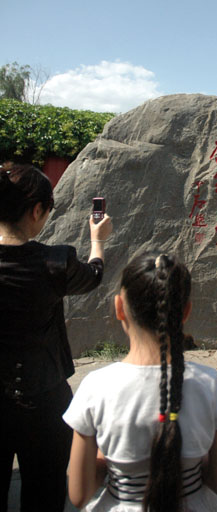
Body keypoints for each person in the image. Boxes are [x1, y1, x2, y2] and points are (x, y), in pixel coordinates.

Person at [63, 252, 217, 512]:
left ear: (119, 308)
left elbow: (79, 494)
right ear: (186, 312)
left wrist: (106, 461)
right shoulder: (211, 384)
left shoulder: (95, 387)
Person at [0, 163, 112, 512]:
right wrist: (97, 240)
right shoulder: (54, 263)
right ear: (36, 210)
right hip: (45, 399)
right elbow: (94, 275)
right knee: (46, 491)